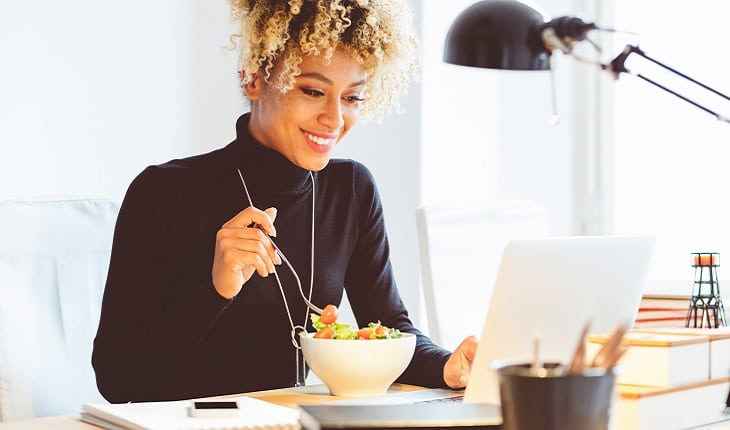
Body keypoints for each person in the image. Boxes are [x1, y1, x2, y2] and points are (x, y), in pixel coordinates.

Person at [92, 0, 477, 403]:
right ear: (253, 78)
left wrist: (447, 366)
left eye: (352, 98)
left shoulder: (351, 190)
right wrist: (215, 290)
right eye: (313, 91)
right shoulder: (162, 193)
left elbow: (388, 328)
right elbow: (118, 379)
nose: (334, 119)